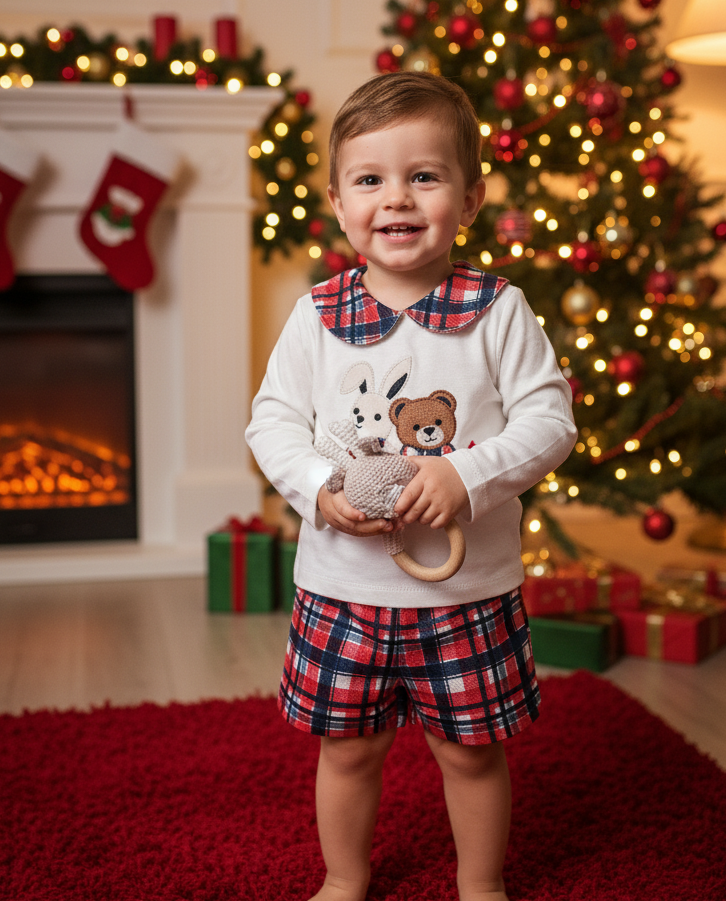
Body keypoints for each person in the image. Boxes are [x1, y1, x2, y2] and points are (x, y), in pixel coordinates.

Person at [246, 71, 577, 901]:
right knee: (348, 748)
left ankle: (481, 886)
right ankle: (343, 879)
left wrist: (465, 475)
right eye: (371, 180)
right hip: (342, 588)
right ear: (337, 200)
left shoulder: (499, 309)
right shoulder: (316, 315)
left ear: (469, 200)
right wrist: (321, 487)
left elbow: (550, 422)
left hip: (466, 591)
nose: (396, 198)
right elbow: (272, 423)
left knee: (469, 751)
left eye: (424, 176)